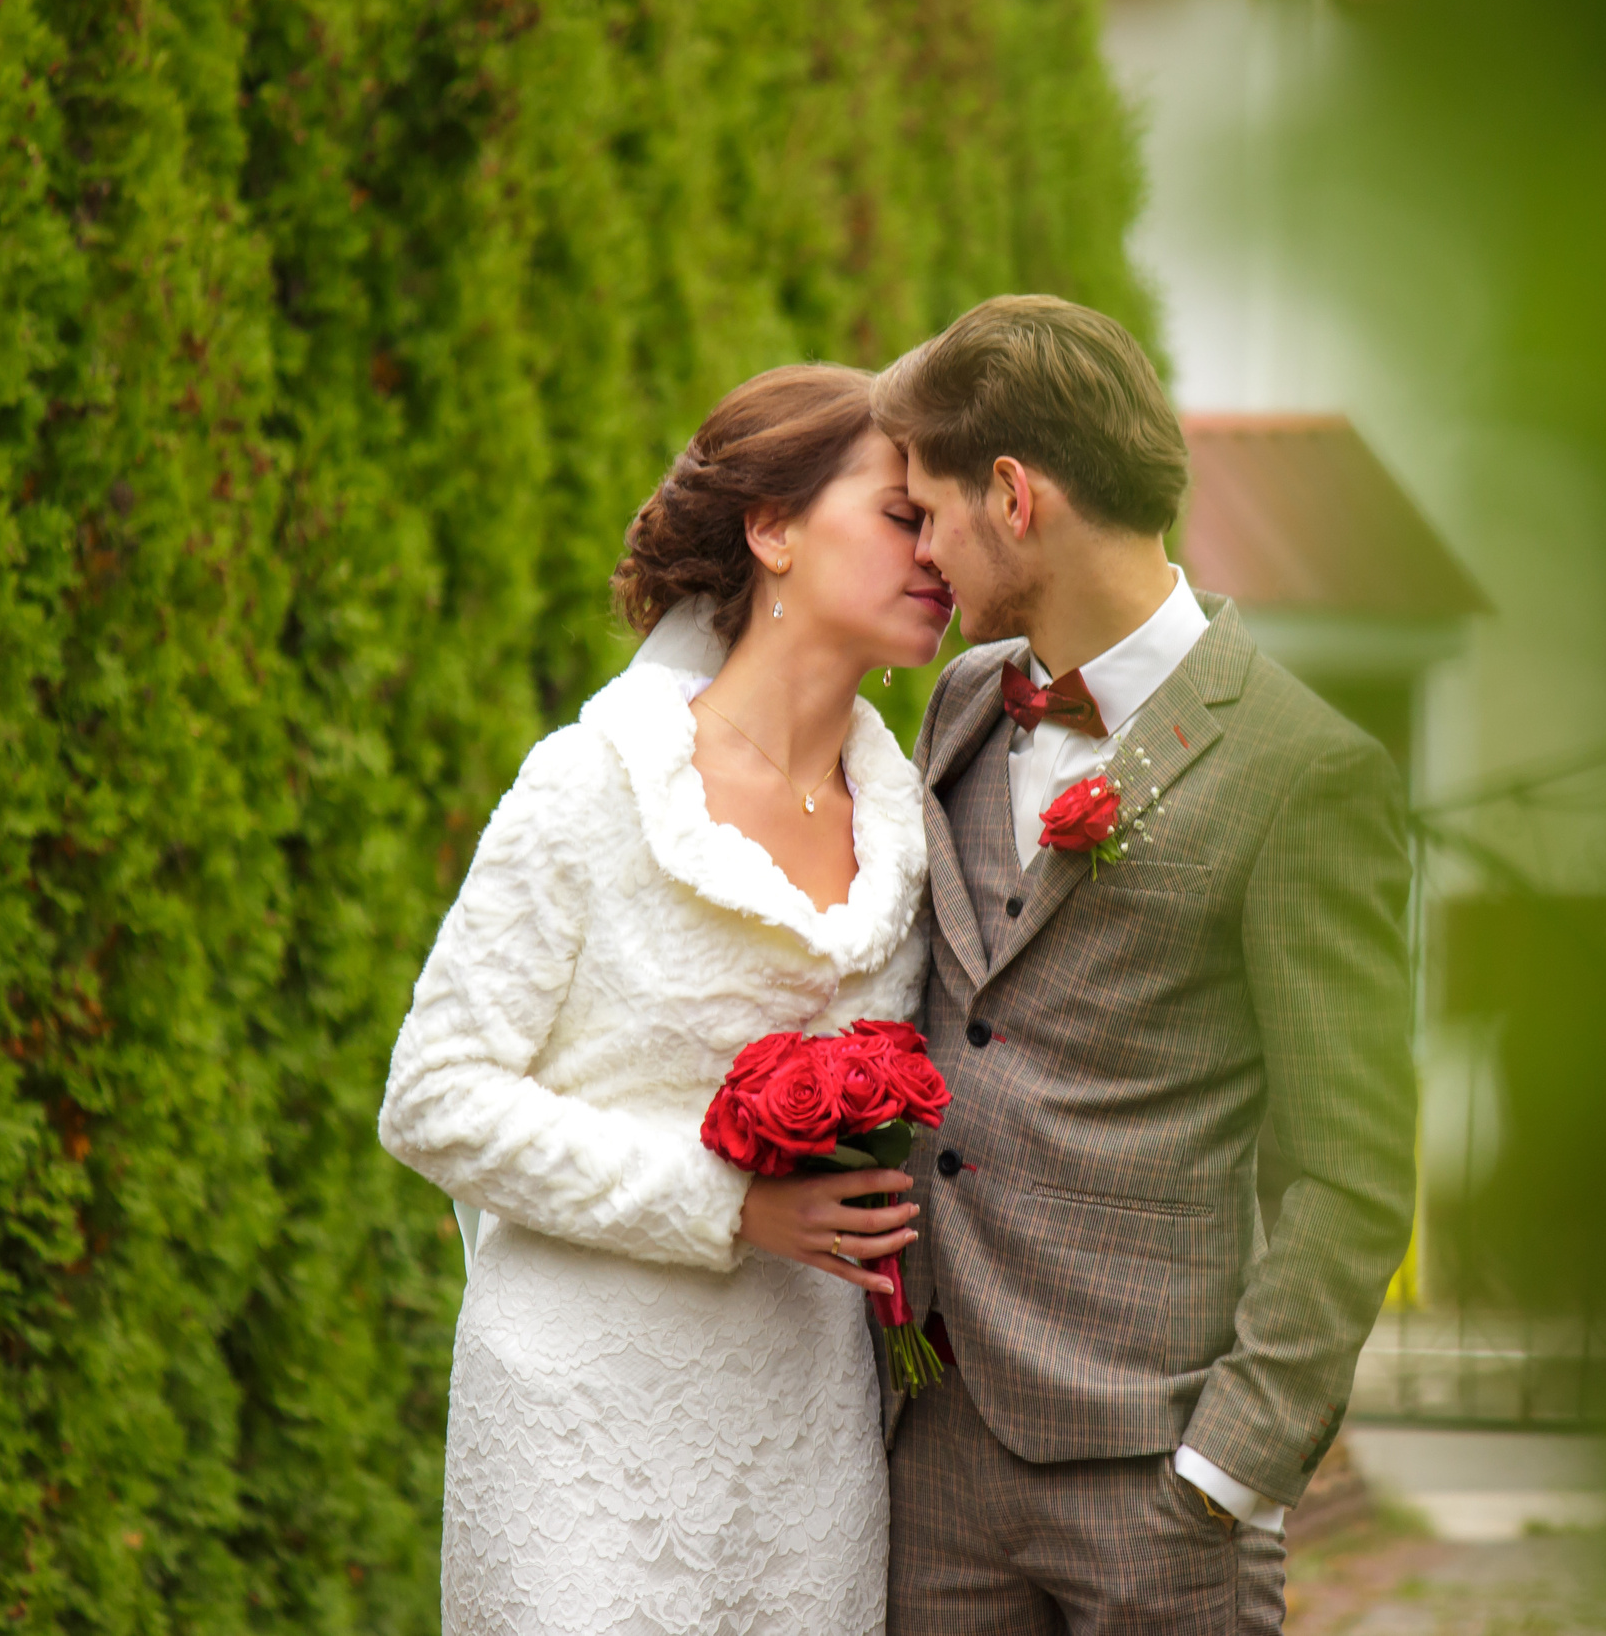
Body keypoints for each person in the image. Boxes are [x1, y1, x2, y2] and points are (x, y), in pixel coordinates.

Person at [376, 363, 955, 1635]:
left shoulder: (918, 828)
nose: (938, 550)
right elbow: (432, 1101)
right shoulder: (594, 784)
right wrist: (728, 1203)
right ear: (774, 530)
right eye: (899, 514)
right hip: (577, 1425)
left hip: (804, 1439)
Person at [870, 297, 1417, 1635]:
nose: (922, 551)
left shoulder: (1304, 771)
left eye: (927, 510)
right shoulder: (962, 701)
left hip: (1156, 1489)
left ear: (1013, 495)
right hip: (938, 1456)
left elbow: (1349, 1170)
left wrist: (1225, 1471)